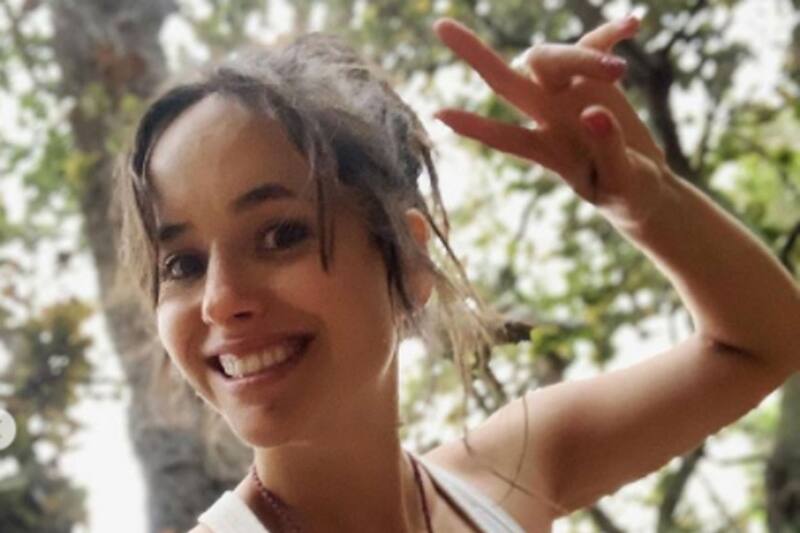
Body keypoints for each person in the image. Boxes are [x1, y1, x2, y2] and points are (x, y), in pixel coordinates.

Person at [117, 12, 800, 533]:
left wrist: (648, 200)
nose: (220, 300)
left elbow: (763, 340)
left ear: (410, 259)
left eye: (280, 235)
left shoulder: (511, 472)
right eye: (183, 263)